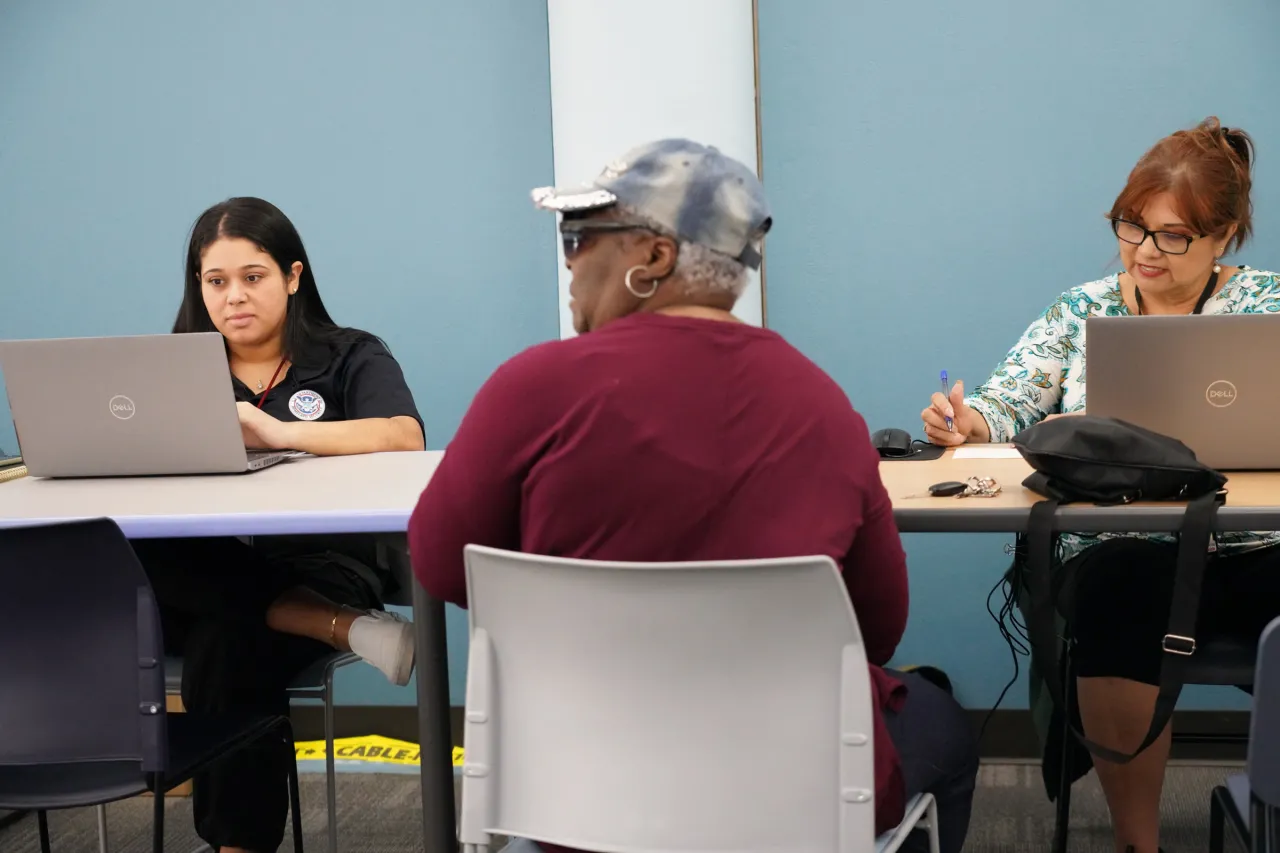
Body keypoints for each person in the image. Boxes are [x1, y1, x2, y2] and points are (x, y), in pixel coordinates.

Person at [410, 140, 978, 853]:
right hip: (784, 804)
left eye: (579, 237)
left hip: (569, 793)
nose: (568, 260)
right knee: (944, 723)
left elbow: (435, 565)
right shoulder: (824, 405)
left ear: (653, 258)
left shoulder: (529, 388)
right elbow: (877, 628)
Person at [922, 117, 1280, 853]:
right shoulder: (1080, 310)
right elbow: (1009, 400)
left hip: (1253, 544)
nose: (1145, 251)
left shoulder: (1268, 309)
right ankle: (1135, 844)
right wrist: (970, 419)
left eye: (1173, 235)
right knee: (1117, 589)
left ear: (1226, 234)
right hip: (1127, 552)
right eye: (1132, 226)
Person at [134, 196, 426, 853]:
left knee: (226, 638)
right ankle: (338, 624)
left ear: (293, 276)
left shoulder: (350, 353)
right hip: (197, 569)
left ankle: (237, 849)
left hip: (323, 564)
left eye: (253, 276)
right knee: (137, 552)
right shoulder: (171, 372)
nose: (234, 295)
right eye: (216, 281)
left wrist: (278, 431)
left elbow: (403, 436)